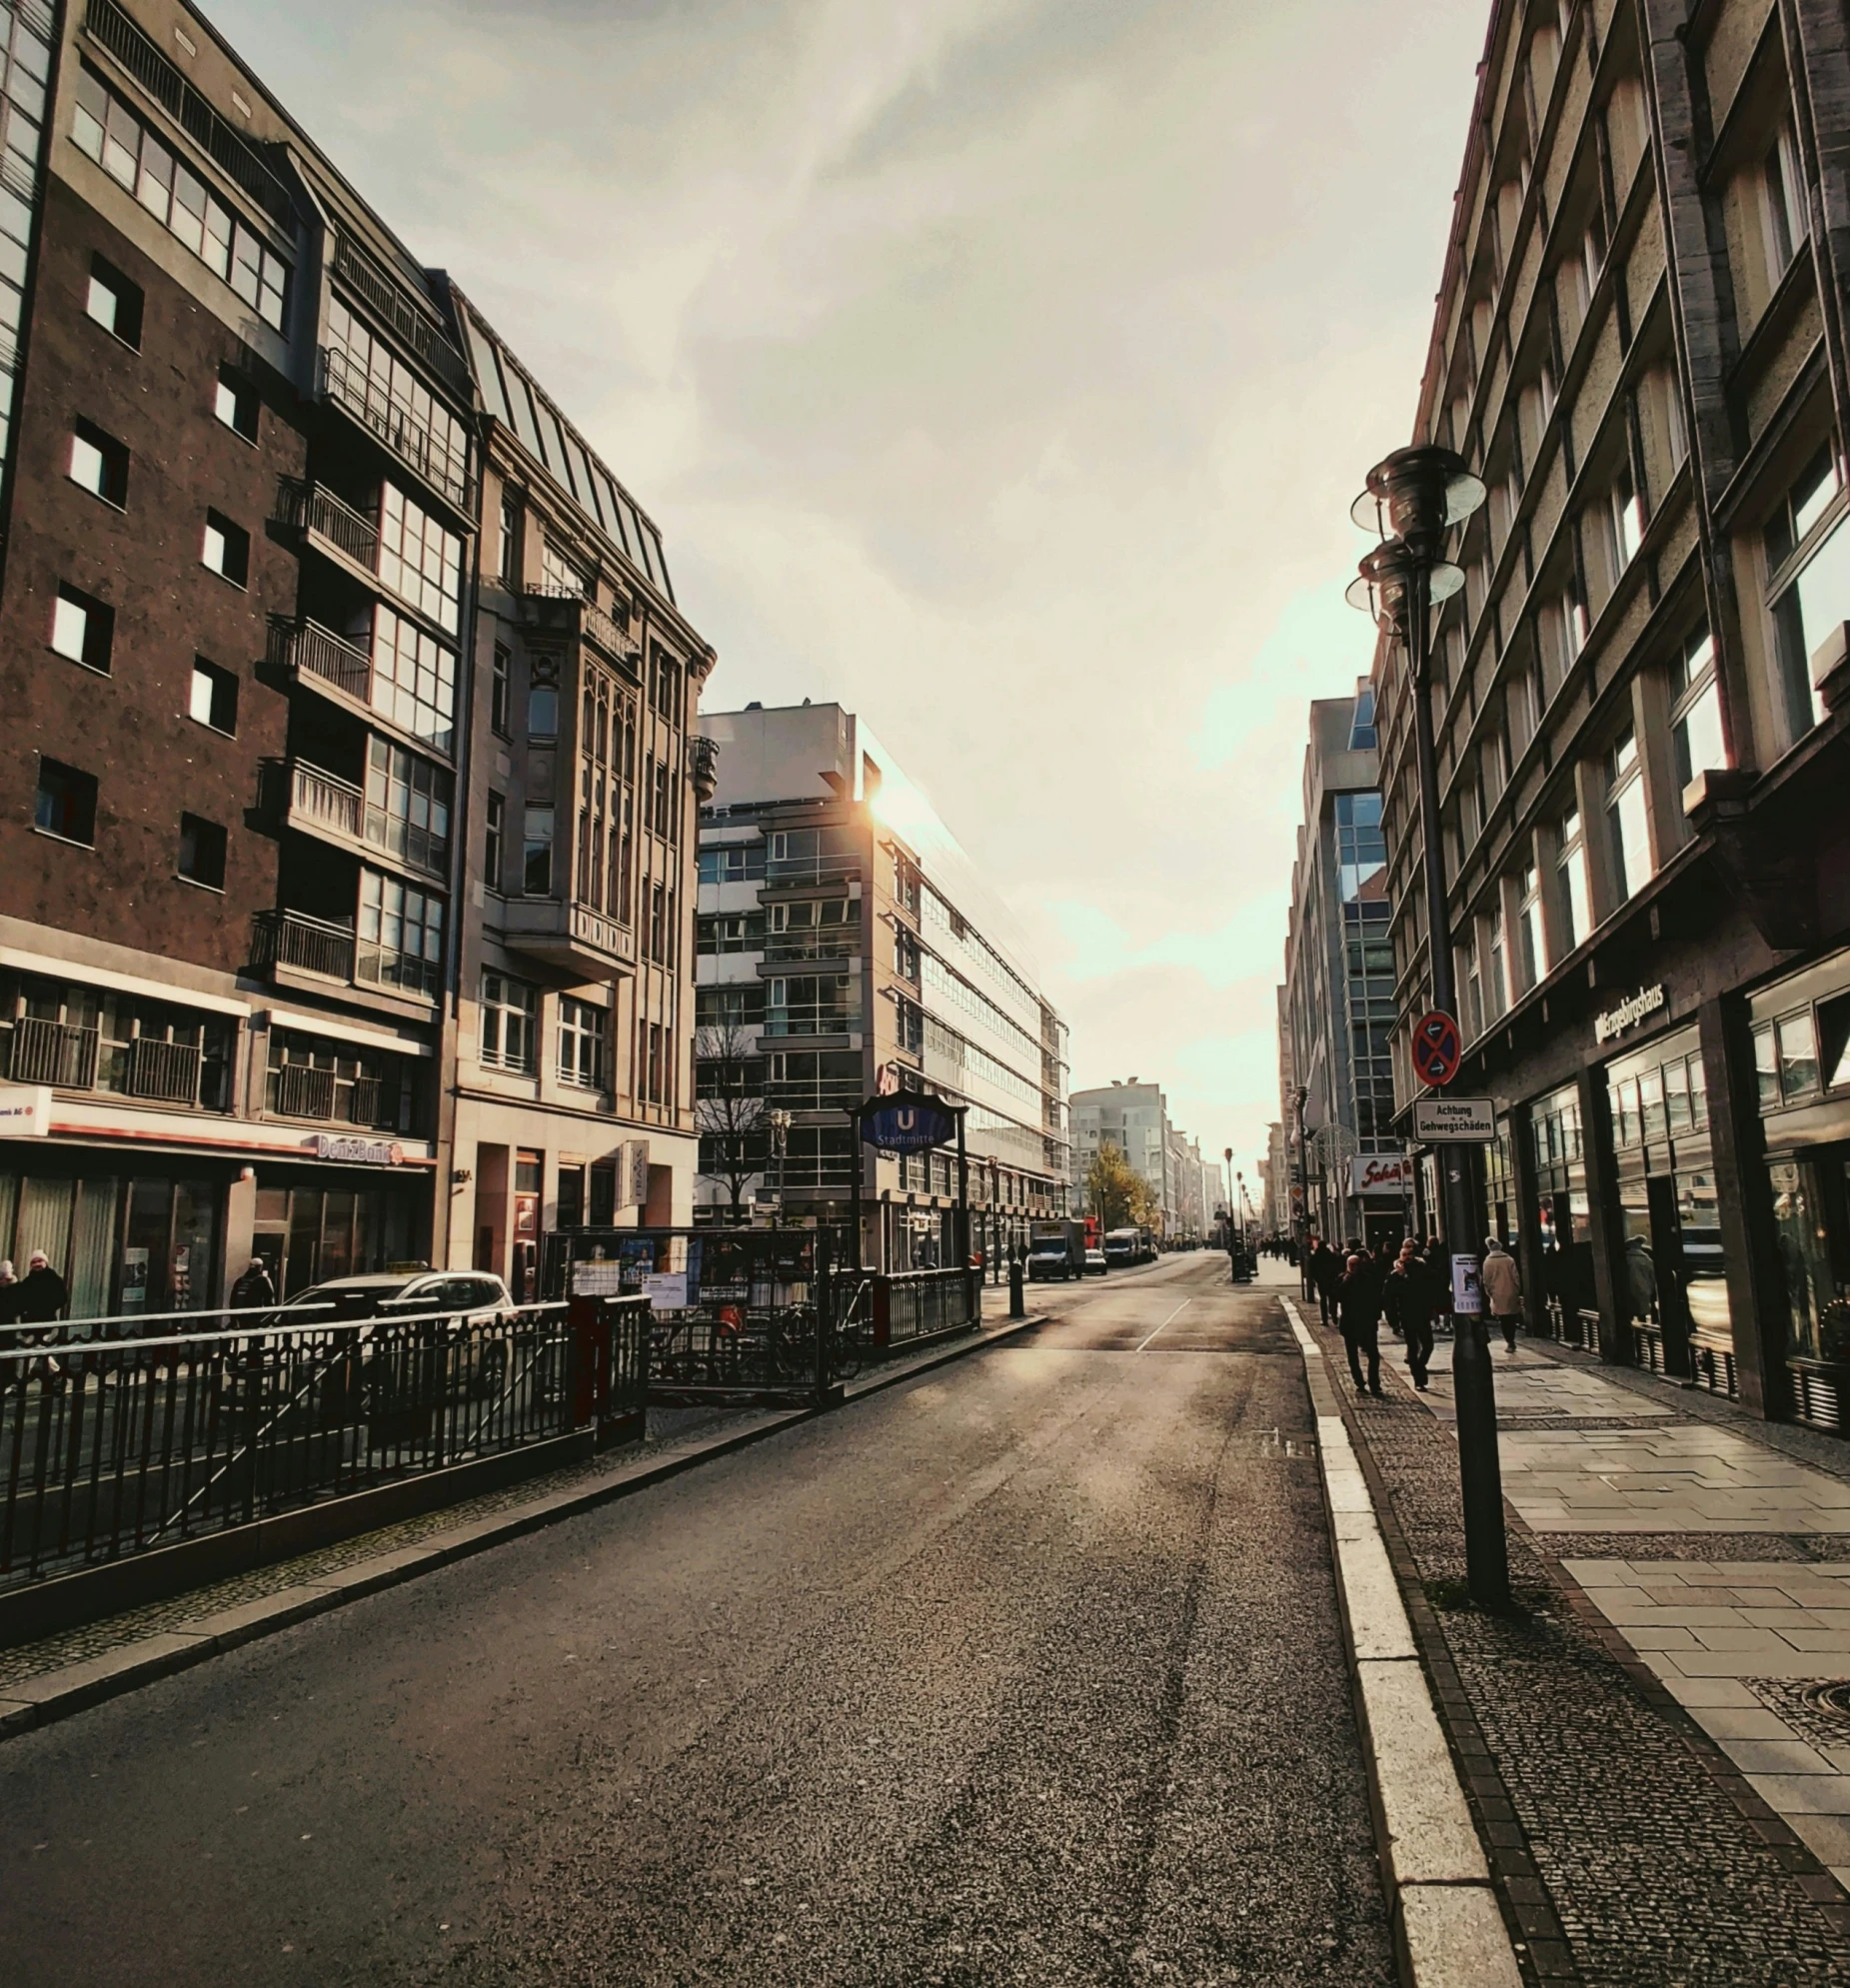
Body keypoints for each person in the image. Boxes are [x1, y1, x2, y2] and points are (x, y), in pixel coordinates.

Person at [1382, 1239, 1437, 1390]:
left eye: (1410, 1254)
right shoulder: (1394, 1274)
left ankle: (1420, 1367)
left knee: (1428, 1345)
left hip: (1423, 1312)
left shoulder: (1422, 1268)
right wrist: (1393, 1318)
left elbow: (1428, 1286)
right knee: (1412, 1347)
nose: (1407, 1257)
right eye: (1404, 1255)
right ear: (1400, 1257)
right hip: (1407, 1315)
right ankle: (1418, 1379)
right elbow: (1389, 1296)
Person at [1338, 1250, 1385, 1397]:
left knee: (1373, 1354)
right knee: (1352, 1355)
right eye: (1350, 1265)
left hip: (1367, 1322)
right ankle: (1358, 1381)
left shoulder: (1369, 1279)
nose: (1353, 1267)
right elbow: (1336, 1296)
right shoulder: (1342, 1279)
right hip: (1349, 1323)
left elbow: (1377, 1299)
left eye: (1356, 1265)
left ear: (1360, 1265)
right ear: (1347, 1266)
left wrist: (1376, 1316)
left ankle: (1374, 1383)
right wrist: (1345, 1282)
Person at [1482, 1233, 1523, 1353]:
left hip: (1497, 1293)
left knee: (1504, 1319)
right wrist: (1517, 1290)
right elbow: (1516, 1277)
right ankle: (1511, 1339)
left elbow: (1486, 1280)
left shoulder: (1488, 1262)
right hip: (1511, 1292)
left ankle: (1509, 1341)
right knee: (1511, 1317)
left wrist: (1489, 1293)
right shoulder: (1509, 1259)